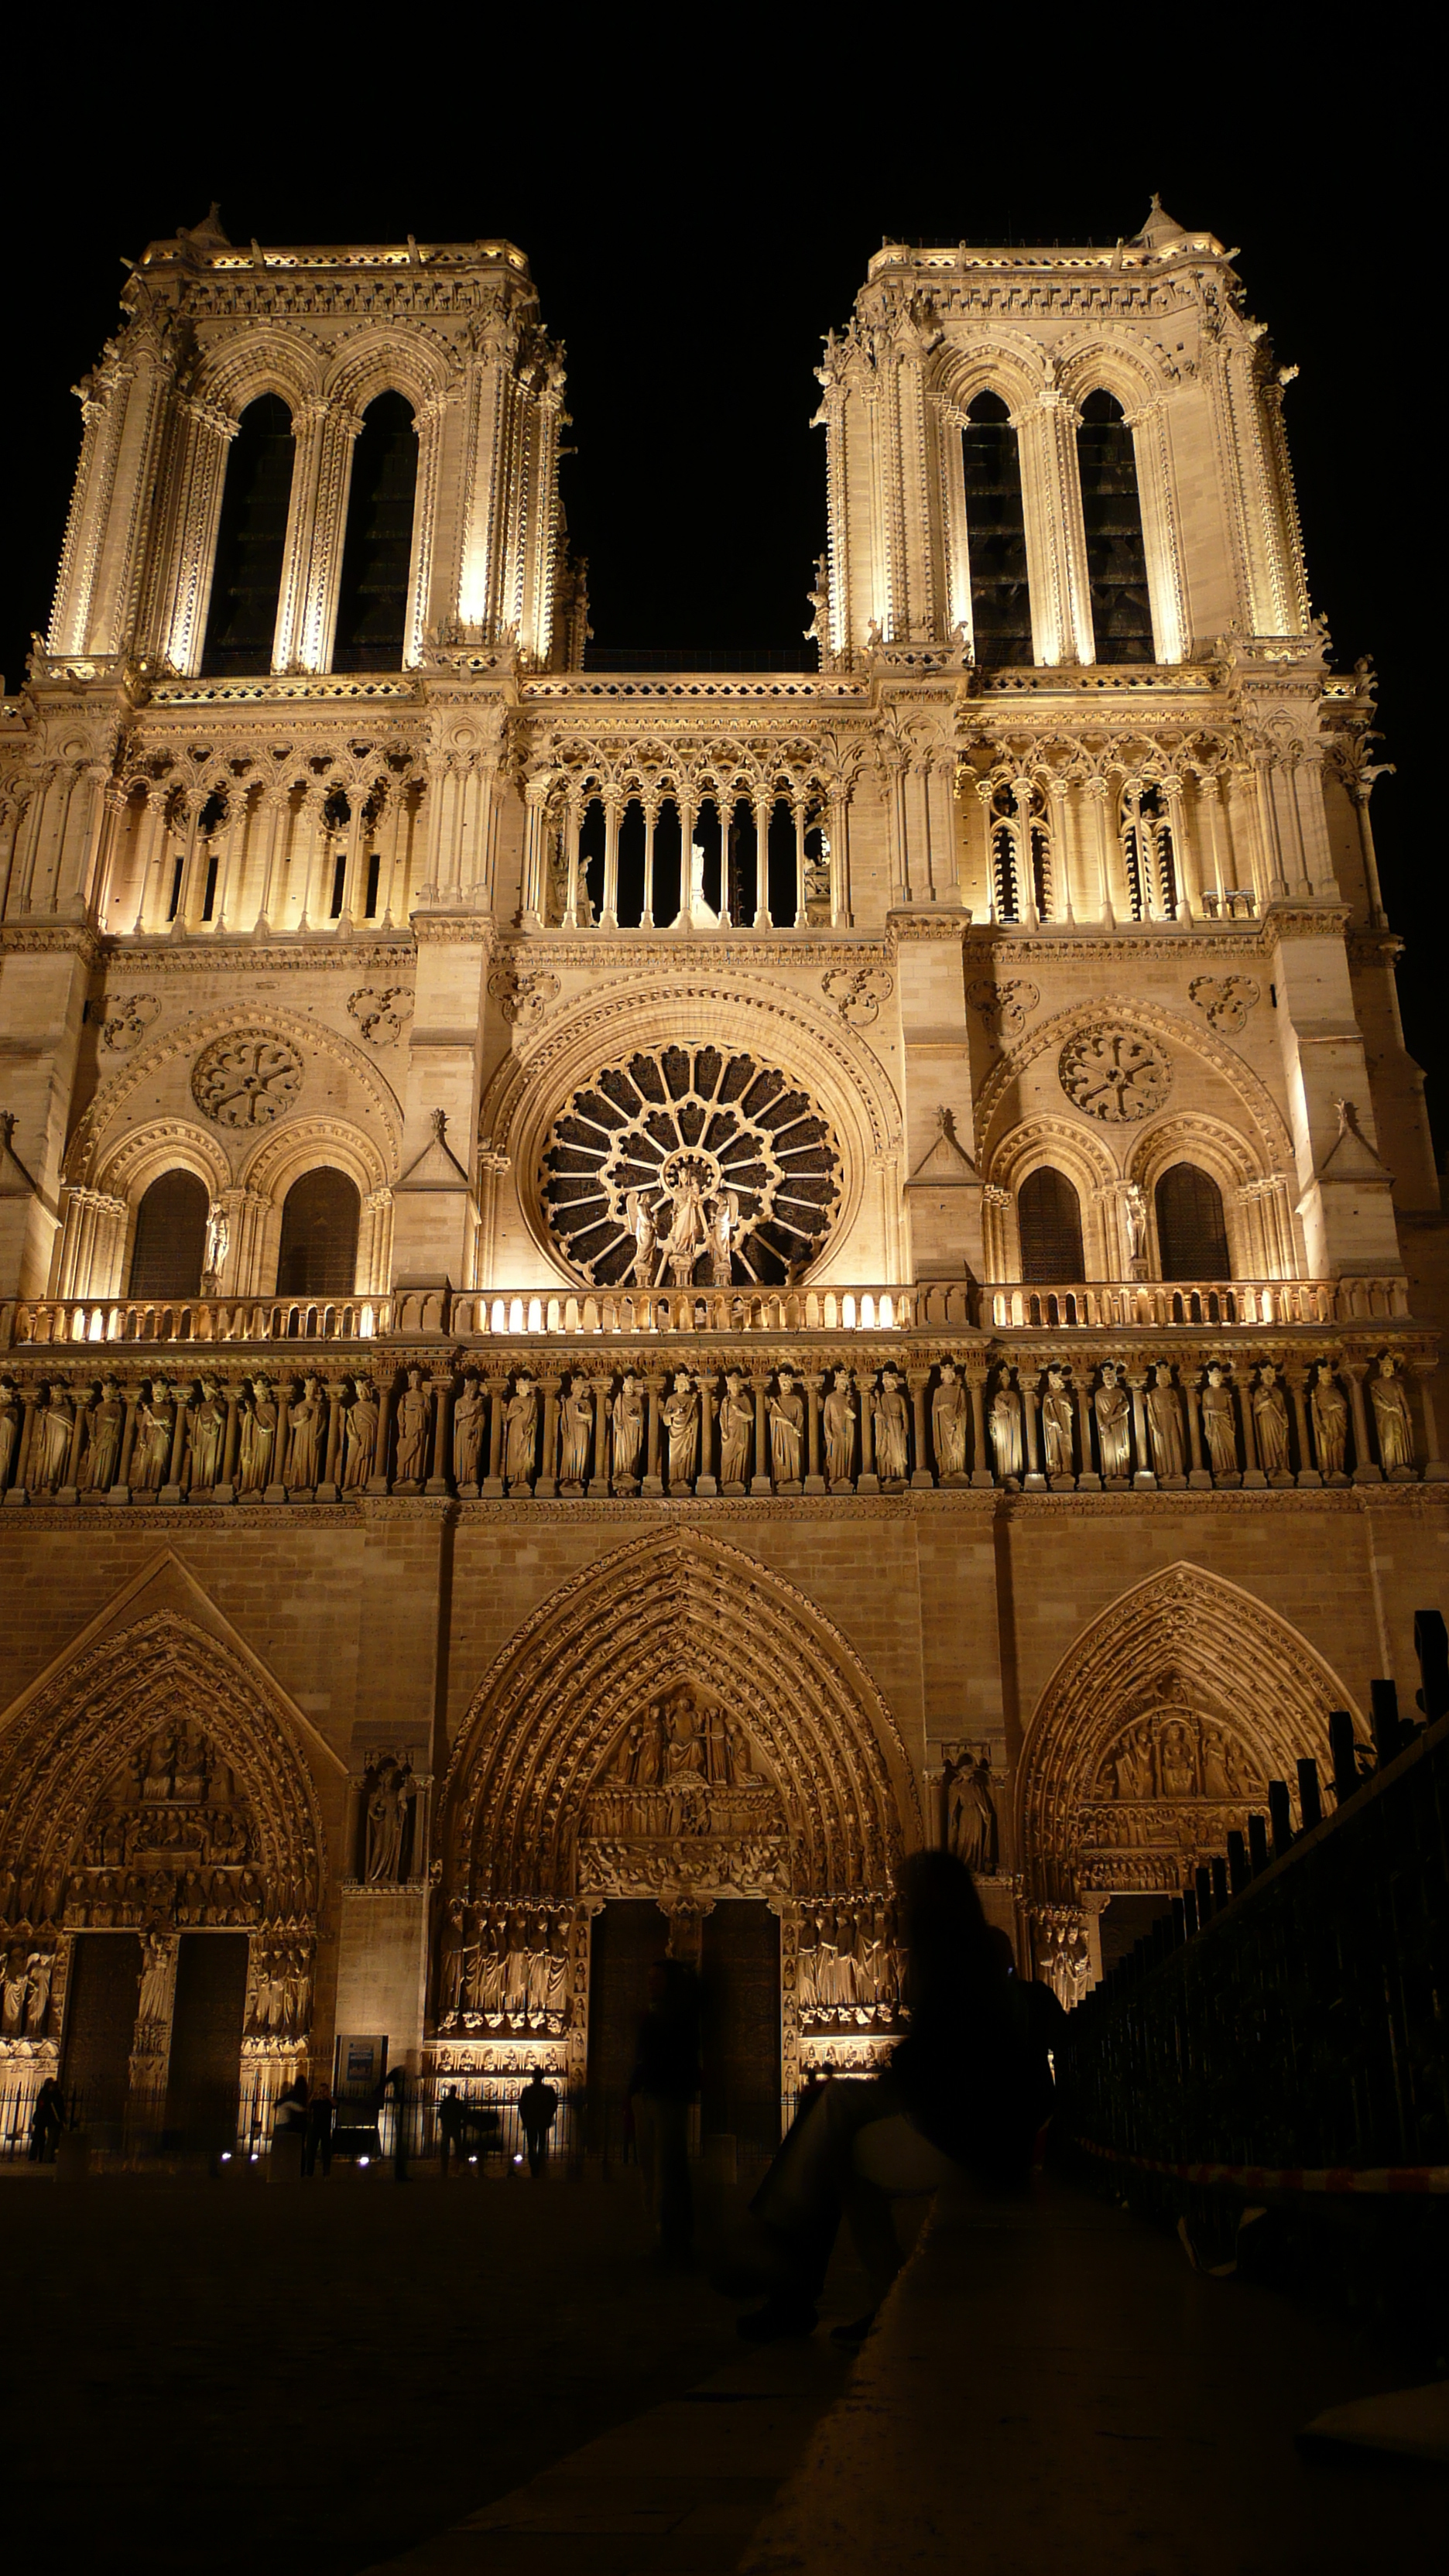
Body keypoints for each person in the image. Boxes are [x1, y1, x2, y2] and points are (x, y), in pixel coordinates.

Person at [714, 1851, 1037, 2344]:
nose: (901, 1911)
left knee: (841, 2134)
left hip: (974, 2135)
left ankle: (801, 2266)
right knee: (833, 2106)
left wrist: (890, 2082)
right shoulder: (970, 1955)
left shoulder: (961, 1961)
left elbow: (944, 2062)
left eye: (910, 1899)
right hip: (966, 2121)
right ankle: (792, 2267)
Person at [629, 1957, 701, 2266]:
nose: (650, 1984)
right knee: (661, 2171)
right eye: (649, 1978)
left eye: (656, 1979)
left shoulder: (677, 2016)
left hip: (667, 2096)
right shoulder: (659, 2013)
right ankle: (669, 2237)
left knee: (668, 2171)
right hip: (654, 2096)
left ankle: (674, 2240)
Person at [517, 2071, 560, 2177]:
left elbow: (522, 2106)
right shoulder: (548, 2090)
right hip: (542, 2121)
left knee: (531, 2145)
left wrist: (525, 2119)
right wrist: (549, 2116)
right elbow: (554, 2104)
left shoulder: (527, 2091)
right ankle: (540, 2164)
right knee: (541, 2144)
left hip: (531, 2121)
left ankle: (534, 2168)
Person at [271, 2074, 308, 2180]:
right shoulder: (300, 2097)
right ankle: (299, 2170)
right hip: (298, 2125)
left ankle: (286, 2168)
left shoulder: (289, 2097)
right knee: (299, 2148)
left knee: (287, 2148)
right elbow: (301, 2109)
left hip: (291, 2124)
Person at [29, 2074, 65, 2163]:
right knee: (41, 2138)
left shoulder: (47, 2093)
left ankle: (40, 2156)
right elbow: (44, 2106)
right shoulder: (47, 2094)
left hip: (45, 2118)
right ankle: (38, 2156)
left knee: (42, 2138)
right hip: (44, 2118)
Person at [303, 2080, 334, 2178]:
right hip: (315, 2128)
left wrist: (328, 2096)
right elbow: (308, 2106)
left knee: (326, 2151)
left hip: (325, 2128)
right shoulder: (316, 2102)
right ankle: (309, 2171)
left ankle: (326, 2171)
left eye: (324, 2090)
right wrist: (314, 2095)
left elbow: (336, 2105)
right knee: (311, 2150)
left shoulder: (329, 2102)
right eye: (321, 2091)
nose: (322, 2093)